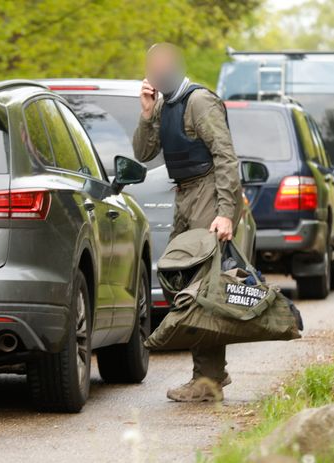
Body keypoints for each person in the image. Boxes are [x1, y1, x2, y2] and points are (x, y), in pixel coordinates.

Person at [133, 43, 244, 402]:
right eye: (153, 65)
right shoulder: (165, 104)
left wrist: (225, 212)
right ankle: (211, 373)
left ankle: (208, 379)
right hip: (184, 196)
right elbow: (143, 153)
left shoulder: (200, 102)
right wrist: (147, 113)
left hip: (208, 195)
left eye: (163, 64)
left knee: (202, 289)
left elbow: (226, 157)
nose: (157, 71)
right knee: (179, 283)